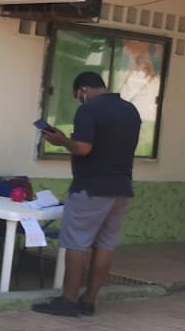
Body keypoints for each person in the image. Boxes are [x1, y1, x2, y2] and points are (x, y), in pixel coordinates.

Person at [32, 70, 140, 318]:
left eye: (78, 95)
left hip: (91, 188)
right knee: (105, 245)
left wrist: (61, 141)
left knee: (77, 243)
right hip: (121, 188)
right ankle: (89, 301)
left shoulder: (88, 109)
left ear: (83, 90)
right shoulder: (130, 110)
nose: (79, 99)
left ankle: (68, 300)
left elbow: (83, 148)